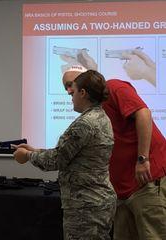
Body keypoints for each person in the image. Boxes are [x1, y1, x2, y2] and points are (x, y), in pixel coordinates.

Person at [62, 66, 166, 240]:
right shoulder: (90, 116)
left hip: (147, 179)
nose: (68, 91)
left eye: (70, 84)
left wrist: (142, 159)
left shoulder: (114, 88)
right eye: (65, 87)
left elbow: (144, 113)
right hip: (120, 191)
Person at [14, 68, 116, 240]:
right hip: (97, 202)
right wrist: (35, 150)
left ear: (83, 93)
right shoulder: (101, 117)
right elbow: (69, 154)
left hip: (86, 207)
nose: (70, 95)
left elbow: (56, 160)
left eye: (73, 91)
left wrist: (26, 156)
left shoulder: (85, 124)